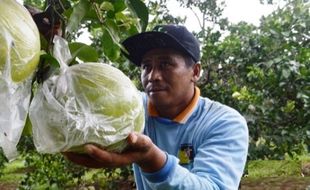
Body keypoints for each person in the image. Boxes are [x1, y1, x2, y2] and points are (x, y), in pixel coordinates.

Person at [63, 24, 249, 190]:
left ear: (195, 71)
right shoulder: (132, 109)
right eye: (146, 66)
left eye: (165, 64)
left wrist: (153, 161)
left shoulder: (224, 123)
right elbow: (87, 98)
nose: (153, 76)